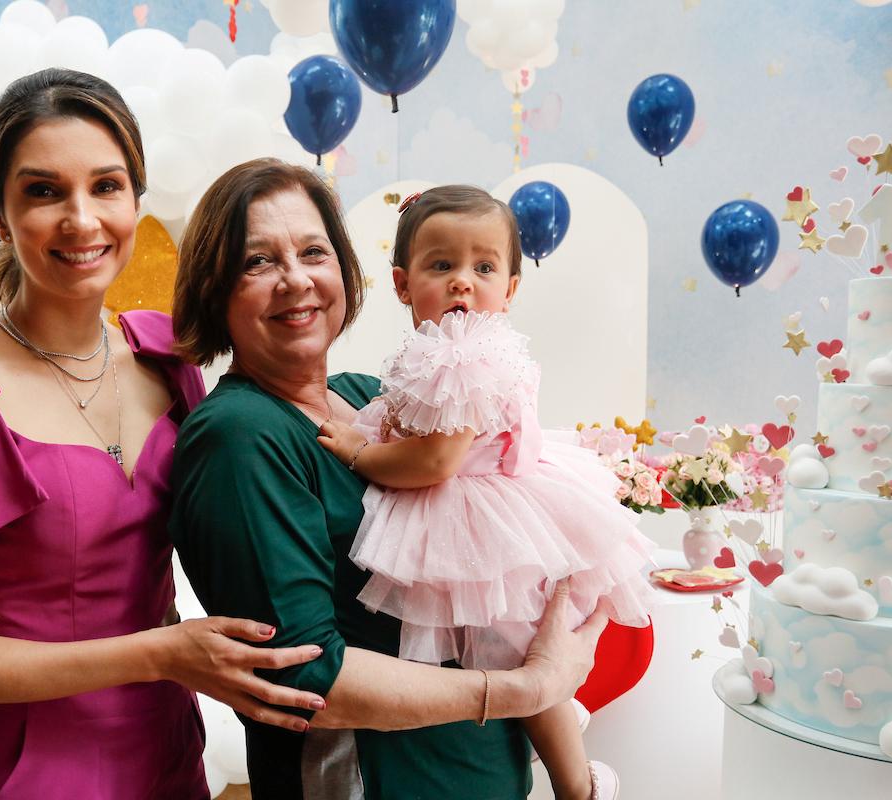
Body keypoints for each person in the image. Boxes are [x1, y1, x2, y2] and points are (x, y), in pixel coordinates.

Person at [0, 69, 326, 799]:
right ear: (0, 215)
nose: (82, 220)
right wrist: (162, 653)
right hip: (30, 766)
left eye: (106, 186)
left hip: (165, 747)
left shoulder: (168, 360)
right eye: (43, 191)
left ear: (137, 200)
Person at [169, 159, 612, 800]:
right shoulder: (241, 436)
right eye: (257, 261)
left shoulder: (368, 398)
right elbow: (303, 675)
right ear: (216, 289)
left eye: (313, 251)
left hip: (479, 766)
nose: (296, 280)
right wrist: (527, 689)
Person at [315, 185, 658, 800]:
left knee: (520, 656)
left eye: (484, 267)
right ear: (402, 283)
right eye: (441, 265)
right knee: (496, 652)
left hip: (484, 512)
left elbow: (438, 459)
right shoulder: (438, 349)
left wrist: (360, 450)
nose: (462, 283)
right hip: (478, 502)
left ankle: (576, 783)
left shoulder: (469, 354)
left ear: (512, 286)